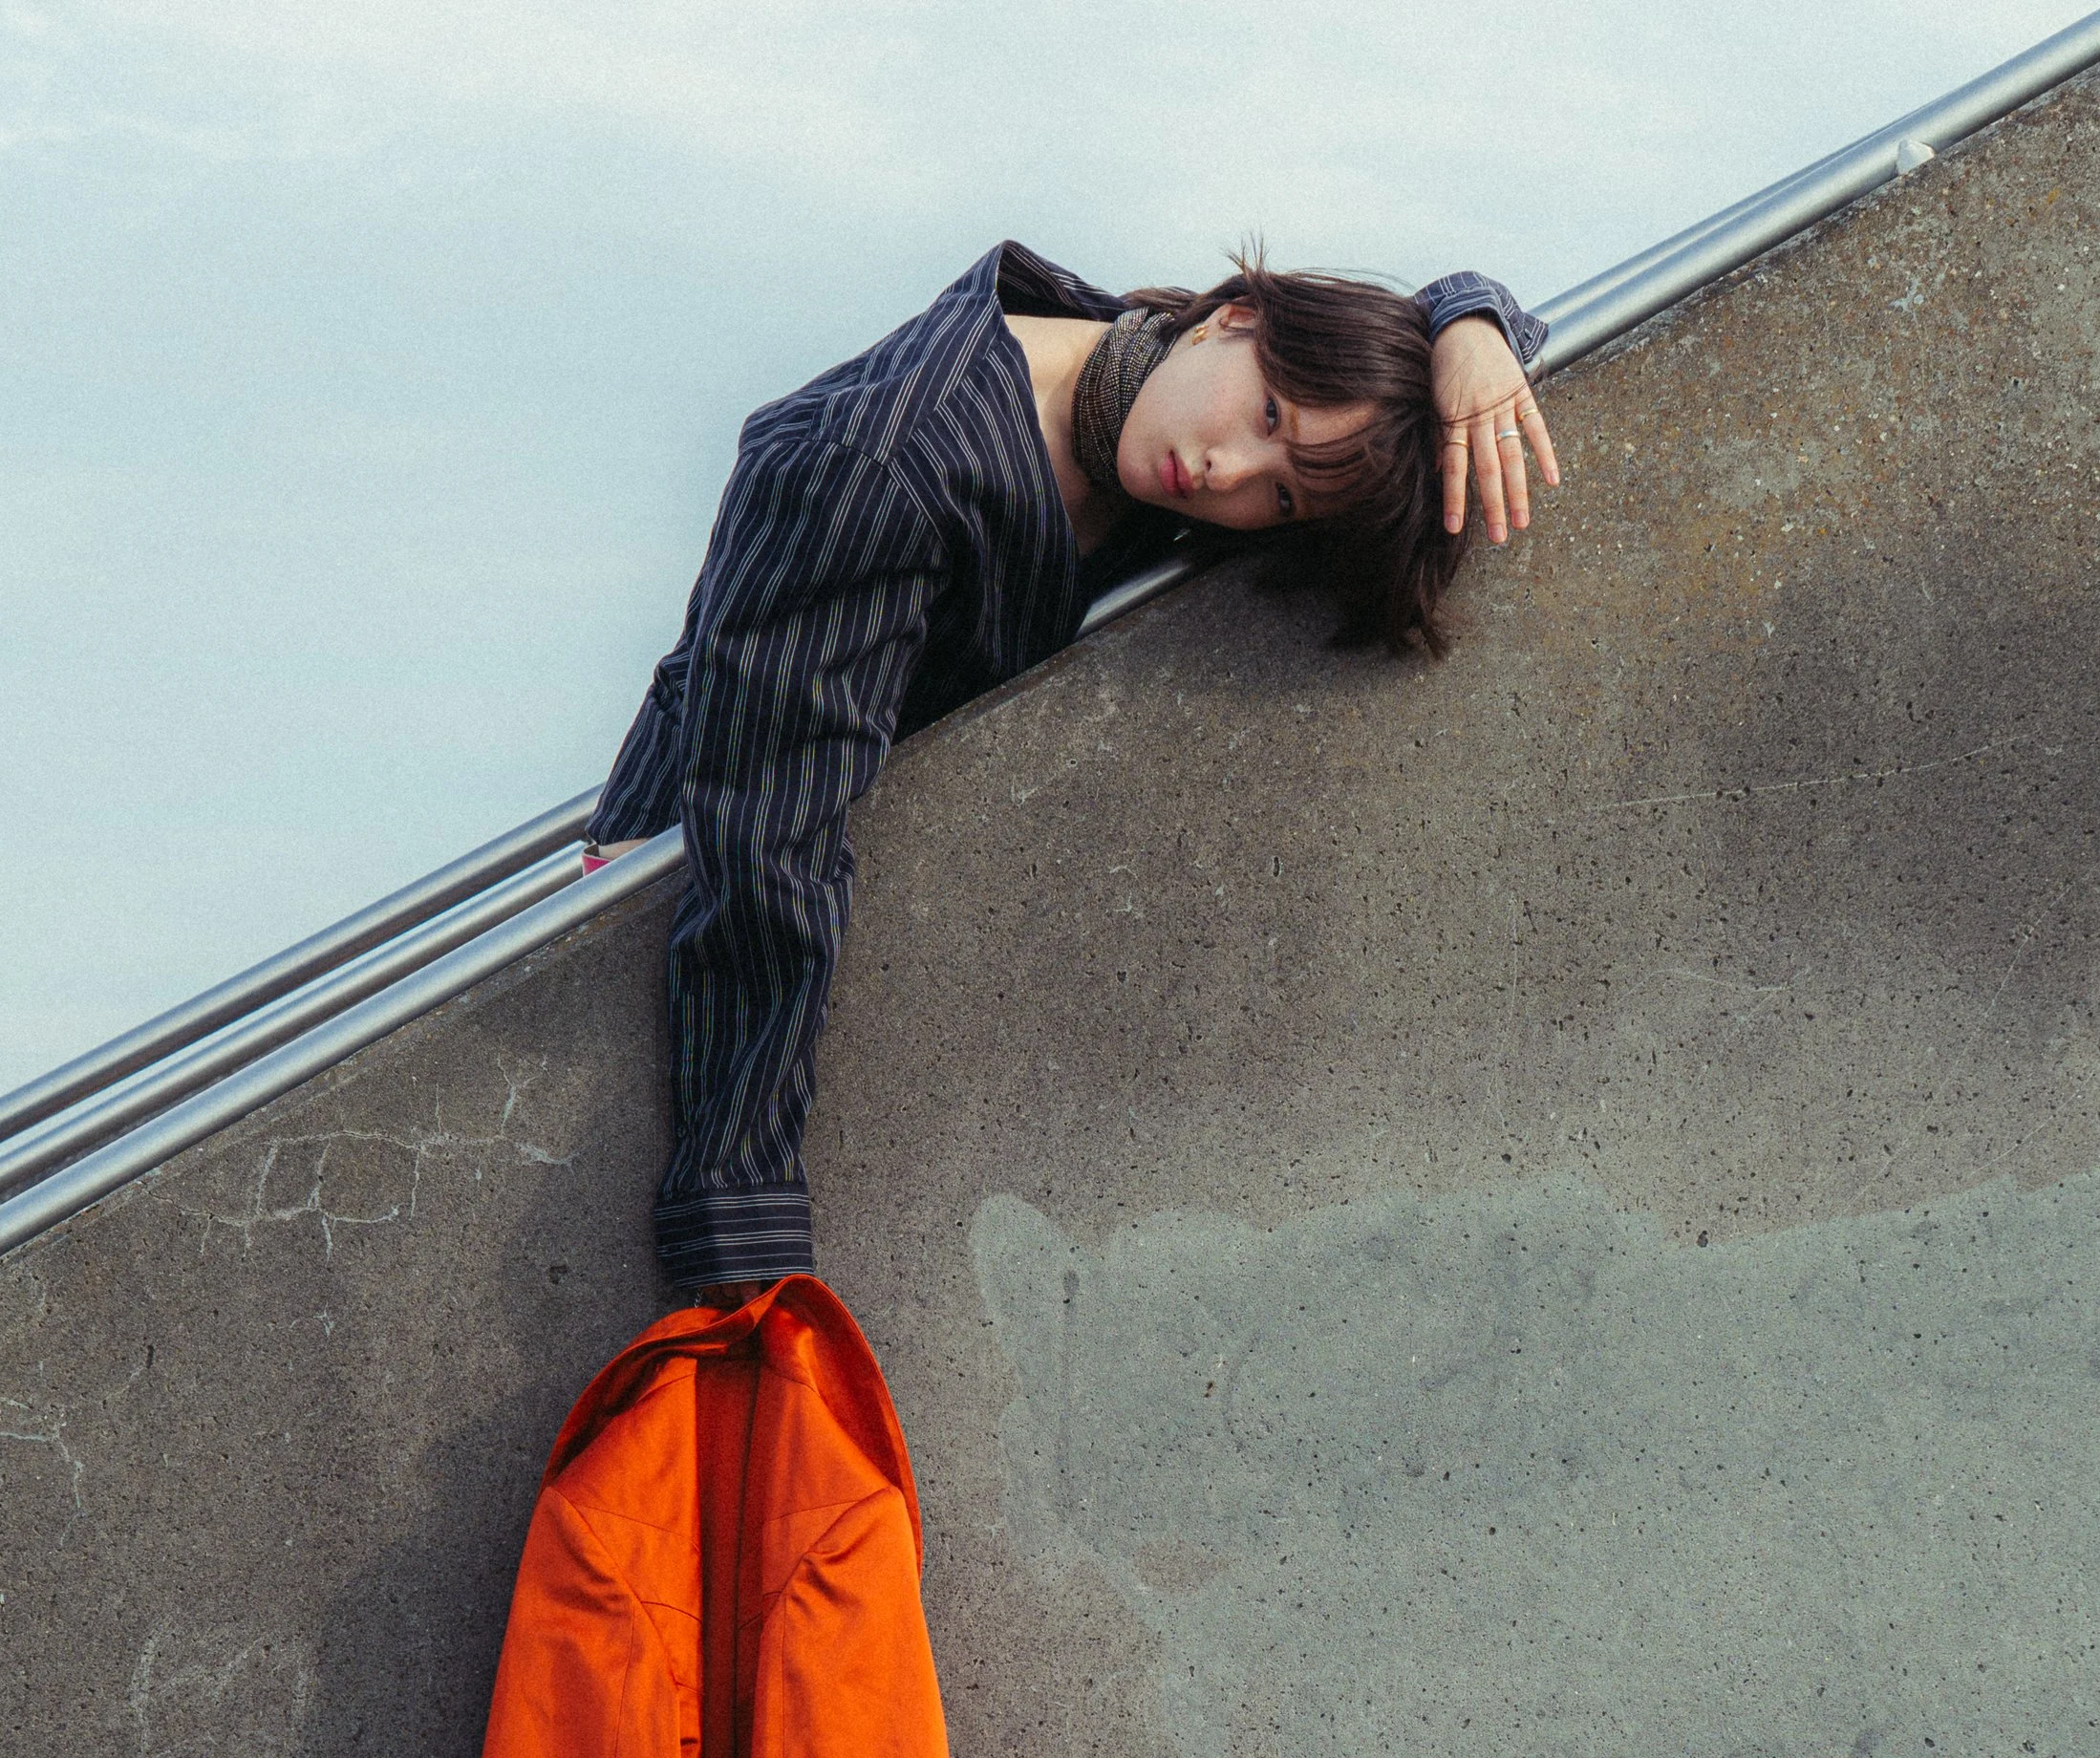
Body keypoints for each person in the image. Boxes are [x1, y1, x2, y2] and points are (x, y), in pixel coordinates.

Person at [584, 241, 1559, 1297]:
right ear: (1232, 317)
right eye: (1267, 417)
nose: (1226, 471)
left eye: (1278, 501)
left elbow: (1392, 388)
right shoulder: (886, 463)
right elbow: (767, 848)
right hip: (677, 928)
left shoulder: (1142, 393)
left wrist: (1471, 321)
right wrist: (737, 1213)